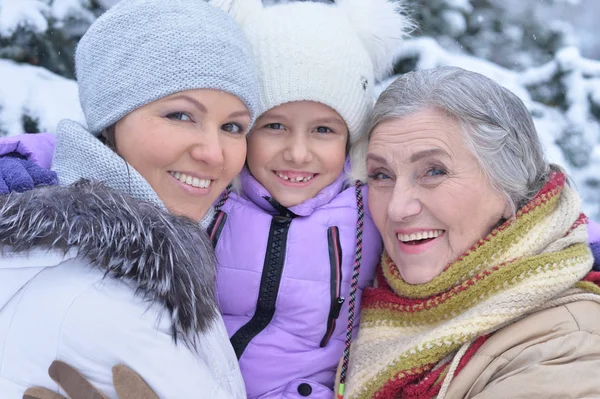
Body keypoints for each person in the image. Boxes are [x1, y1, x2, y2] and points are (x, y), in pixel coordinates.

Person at [0, 0, 259, 397]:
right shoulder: (95, 295)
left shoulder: (155, 262)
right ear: (111, 120)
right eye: (180, 115)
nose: (214, 153)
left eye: (233, 126)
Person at [342, 66, 600, 399]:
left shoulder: (568, 346)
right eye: (380, 175)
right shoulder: (359, 297)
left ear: (508, 187)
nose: (396, 208)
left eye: (434, 171)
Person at [201, 0, 410, 397]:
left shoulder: (374, 214)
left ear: (352, 138)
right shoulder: (210, 196)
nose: (298, 153)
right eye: (275, 125)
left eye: (323, 130)